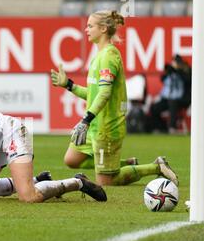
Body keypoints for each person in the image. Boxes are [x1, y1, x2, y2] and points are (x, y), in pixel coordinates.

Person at [50, 10, 178, 186]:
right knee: (72, 160)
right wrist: (69, 85)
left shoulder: (109, 55)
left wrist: (85, 120)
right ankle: (124, 165)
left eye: (90, 26)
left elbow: (105, 93)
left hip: (107, 127)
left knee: (106, 181)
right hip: (95, 125)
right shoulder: (98, 56)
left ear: (103, 29)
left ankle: (156, 167)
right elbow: (94, 94)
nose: (86, 29)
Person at [150, 55, 191, 134]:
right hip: (169, 99)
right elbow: (162, 79)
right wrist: (169, 71)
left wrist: (178, 70)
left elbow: (188, 80)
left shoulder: (187, 70)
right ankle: (161, 127)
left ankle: (172, 127)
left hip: (183, 99)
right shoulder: (171, 71)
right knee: (154, 108)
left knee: (172, 102)